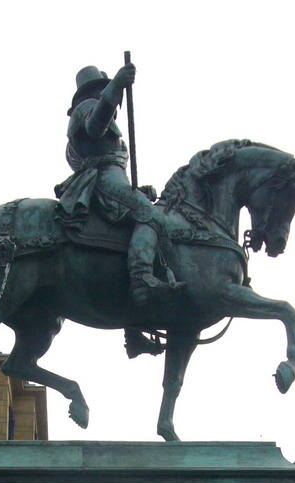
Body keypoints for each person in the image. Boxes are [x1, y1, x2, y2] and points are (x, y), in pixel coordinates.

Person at [56, 62, 185, 308]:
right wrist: (116, 86)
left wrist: (137, 191)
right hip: (103, 178)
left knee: (142, 214)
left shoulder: (89, 109)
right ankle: (141, 280)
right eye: (105, 90)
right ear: (97, 91)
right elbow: (95, 128)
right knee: (149, 215)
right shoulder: (87, 107)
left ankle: (134, 327)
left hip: (112, 178)